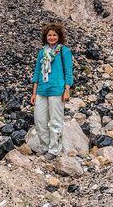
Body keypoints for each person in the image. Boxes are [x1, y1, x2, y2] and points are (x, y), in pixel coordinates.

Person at [30, 23, 73, 160]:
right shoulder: (42, 52)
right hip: (42, 90)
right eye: (49, 35)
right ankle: (45, 147)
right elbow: (37, 72)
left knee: (55, 121)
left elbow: (69, 72)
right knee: (40, 121)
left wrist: (67, 89)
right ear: (45, 37)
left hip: (57, 90)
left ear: (59, 36)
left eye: (55, 35)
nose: (52, 37)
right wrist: (34, 93)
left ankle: (54, 150)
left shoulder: (64, 51)